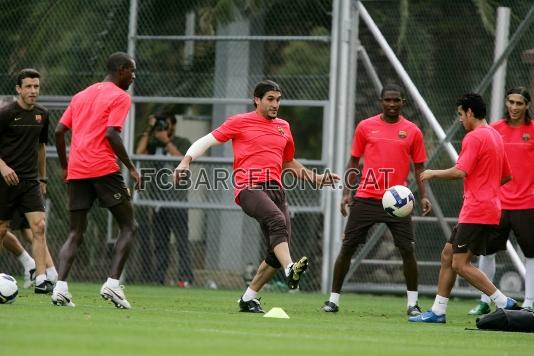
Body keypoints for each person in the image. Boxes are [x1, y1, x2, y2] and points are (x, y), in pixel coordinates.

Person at [174, 80, 340, 313]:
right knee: (277, 222)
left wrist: (316, 178)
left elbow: (288, 161)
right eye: (270, 99)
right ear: (257, 100)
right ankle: (290, 268)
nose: (275, 104)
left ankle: (249, 298)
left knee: (275, 252)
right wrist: (185, 161)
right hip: (248, 188)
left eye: (278, 99)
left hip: (276, 190)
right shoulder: (239, 122)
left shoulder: (284, 126)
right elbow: (207, 140)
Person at [410, 93, 520, 324]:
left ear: (470, 112)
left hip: (477, 209)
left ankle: (503, 302)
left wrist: (432, 173)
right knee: (448, 255)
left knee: (460, 263)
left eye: (461, 114)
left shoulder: (475, 137)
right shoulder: (495, 136)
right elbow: (506, 176)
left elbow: (460, 171)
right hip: (487, 207)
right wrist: (485, 186)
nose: (460, 119)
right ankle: (438, 311)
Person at [323, 84, 431, 316]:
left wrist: (423, 196)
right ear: (380, 101)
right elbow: (353, 162)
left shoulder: (413, 131)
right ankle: (333, 301)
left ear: (403, 102)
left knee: (407, 250)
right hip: (366, 197)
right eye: (387, 100)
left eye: (396, 100)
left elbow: (419, 166)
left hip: (399, 201)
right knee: (347, 247)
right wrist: (346, 192)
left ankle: (412, 304)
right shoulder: (365, 127)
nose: (392, 104)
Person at [52, 52, 140, 308]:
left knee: (75, 233)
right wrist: (132, 168)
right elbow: (112, 134)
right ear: (121, 69)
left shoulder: (81, 95)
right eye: (132, 71)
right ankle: (112, 283)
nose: (133, 76)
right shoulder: (120, 96)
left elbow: (59, 131)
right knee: (129, 225)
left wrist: (65, 167)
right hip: (102, 169)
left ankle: (60, 287)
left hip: (77, 171)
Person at [468, 87, 534, 315]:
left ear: (527, 105)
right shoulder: (494, 130)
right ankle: (485, 300)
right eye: (511, 102)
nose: (514, 107)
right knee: (487, 251)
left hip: (527, 204)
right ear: (506, 103)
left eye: (519, 103)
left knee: (531, 253)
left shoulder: (532, 131)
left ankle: (529, 302)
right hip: (497, 204)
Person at [0, 69, 53, 294]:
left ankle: (41, 278)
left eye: (36, 87)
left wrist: (43, 177)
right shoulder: (6, 114)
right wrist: (3, 167)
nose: (33, 91)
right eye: (28, 87)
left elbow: (41, 147)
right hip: (5, 181)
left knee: (39, 227)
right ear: (18, 89)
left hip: (30, 181)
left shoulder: (42, 114)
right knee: (2, 229)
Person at [136, 113, 193, 286]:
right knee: (160, 241)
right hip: (158, 201)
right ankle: (158, 277)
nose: (163, 128)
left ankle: (185, 278)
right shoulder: (154, 143)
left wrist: (167, 141)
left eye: (166, 124)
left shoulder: (183, 142)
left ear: (173, 125)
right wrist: (149, 130)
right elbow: (139, 153)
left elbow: (182, 160)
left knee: (182, 241)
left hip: (177, 200)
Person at [3, 210, 58, 288]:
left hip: (23, 199)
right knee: (3, 227)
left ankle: (52, 274)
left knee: (30, 230)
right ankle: (29, 264)